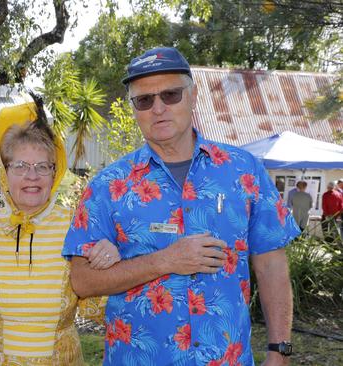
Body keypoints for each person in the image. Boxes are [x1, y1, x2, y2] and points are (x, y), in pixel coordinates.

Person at [63, 47, 300, 365]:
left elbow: (272, 266)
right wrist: (165, 261)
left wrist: (280, 350)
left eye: (171, 94)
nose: (158, 108)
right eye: (144, 100)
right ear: (134, 108)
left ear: (193, 95)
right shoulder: (107, 187)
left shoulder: (244, 171)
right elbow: (82, 281)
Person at [0, 100, 119, 365]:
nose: (32, 176)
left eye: (42, 167)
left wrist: (113, 260)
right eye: (20, 166)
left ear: (54, 173)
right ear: (4, 172)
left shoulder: (78, 226)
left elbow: (98, 308)